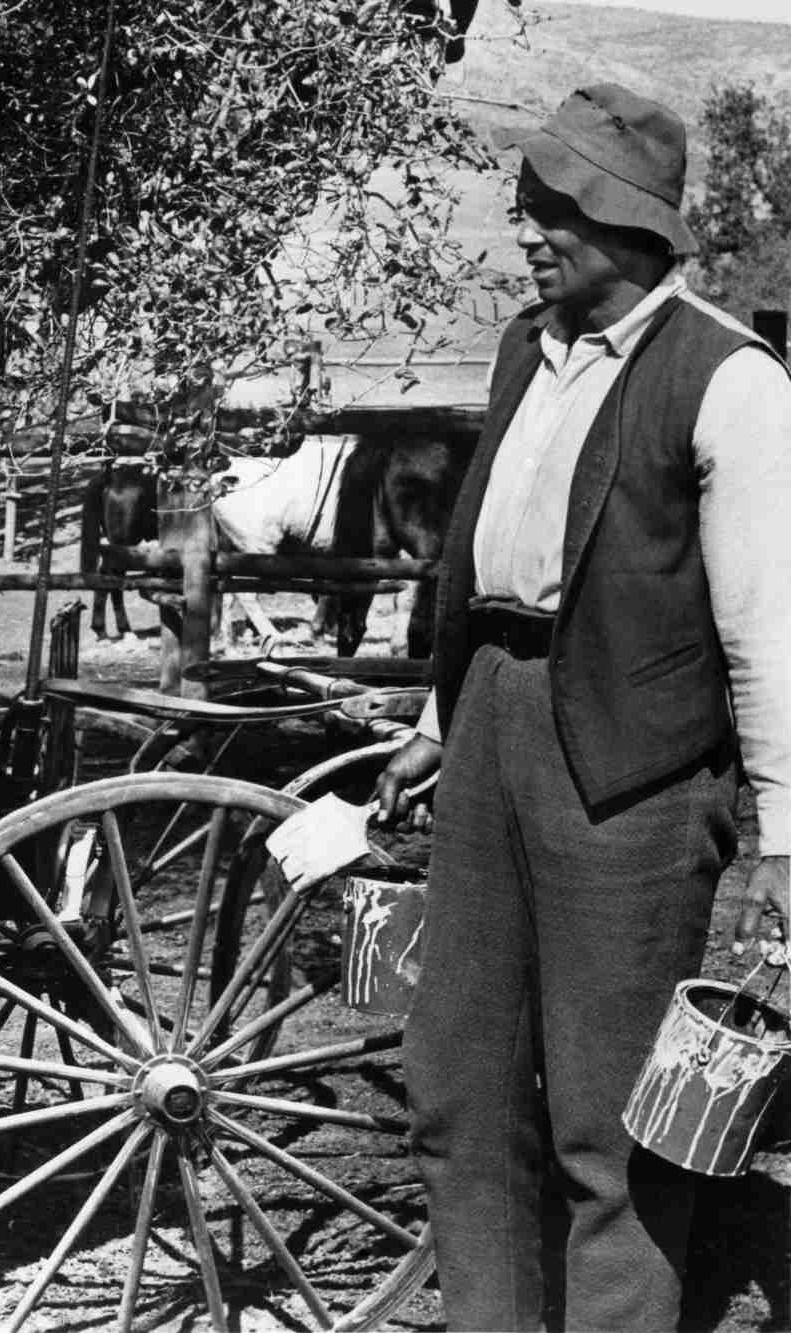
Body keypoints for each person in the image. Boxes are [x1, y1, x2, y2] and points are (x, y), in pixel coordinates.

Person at [373, 83, 791, 1331]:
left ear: (627, 223)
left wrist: (781, 835)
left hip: (631, 772)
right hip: (493, 725)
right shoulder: (525, 349)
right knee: (455, 1093)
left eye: (554, 206)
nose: (527, 228)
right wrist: (436, 729)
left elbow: (767, 629)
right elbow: (485, 573)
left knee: (606, 1125)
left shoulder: (729, 381)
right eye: (529, 202)